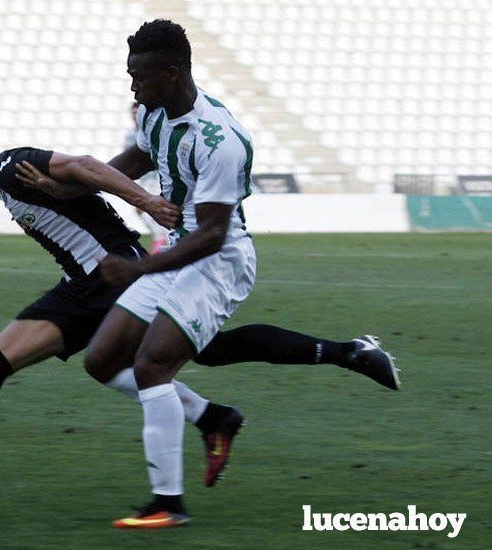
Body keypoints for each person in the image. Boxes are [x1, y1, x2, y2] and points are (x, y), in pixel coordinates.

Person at [0, 126, 398, 508]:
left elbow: (86, 166)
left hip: (113, 276)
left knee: (202, 350)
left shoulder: (13, 167)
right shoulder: (6, 184)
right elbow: (83, 182)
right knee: (4, 363)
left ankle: (336, 358)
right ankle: (234, 407)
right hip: (83, 288)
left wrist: (150, 202)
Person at [75, 19, 400, 529]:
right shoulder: (153, 113)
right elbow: (136, 160)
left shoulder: (221, 140)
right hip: (180, 250)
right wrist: (78, 184)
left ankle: (168, 504)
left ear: (172, 71)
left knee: (153, 366)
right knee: (101, 359)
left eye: (139, 75)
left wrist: (137, 267)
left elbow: (211, 235)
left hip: (217, 261)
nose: (132, 86)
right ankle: (217, 416)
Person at [125, 101, 169, 254]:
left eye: (137, 113)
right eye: (133, 113)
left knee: (152, 208)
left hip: (155, 178)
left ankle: (161, 239)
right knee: (140, 210)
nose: (135, 116)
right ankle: (162, 239)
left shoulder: (152, 130)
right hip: (144, 179)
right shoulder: (131, 135)